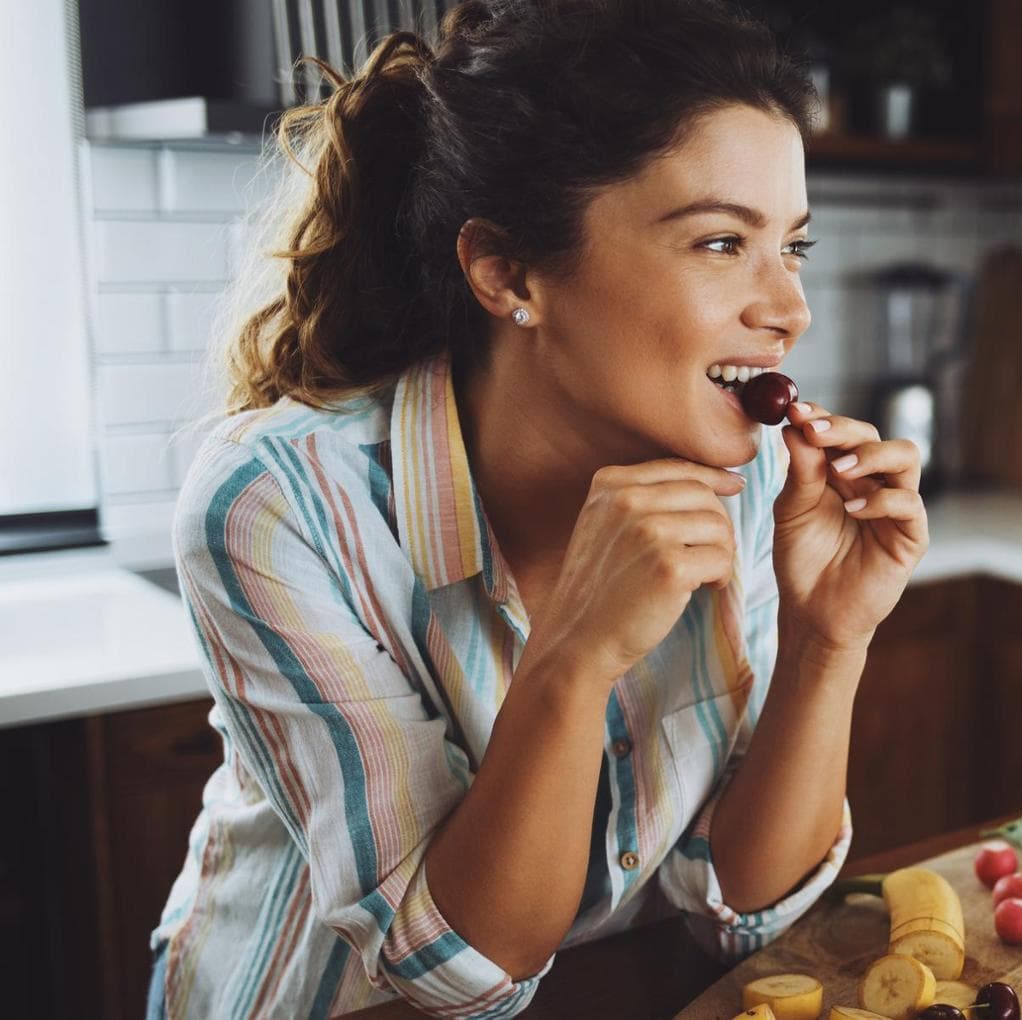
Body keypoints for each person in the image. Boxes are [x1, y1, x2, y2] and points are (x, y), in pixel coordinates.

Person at [146, 1, 926, 1015]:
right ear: (507, 270)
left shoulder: (746, 475)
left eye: (794, 245)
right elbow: (456, 974)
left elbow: (745, 907)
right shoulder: (281, 503)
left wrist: (830, 639)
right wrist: (573, 657)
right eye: (723, 243)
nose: (790, 307)